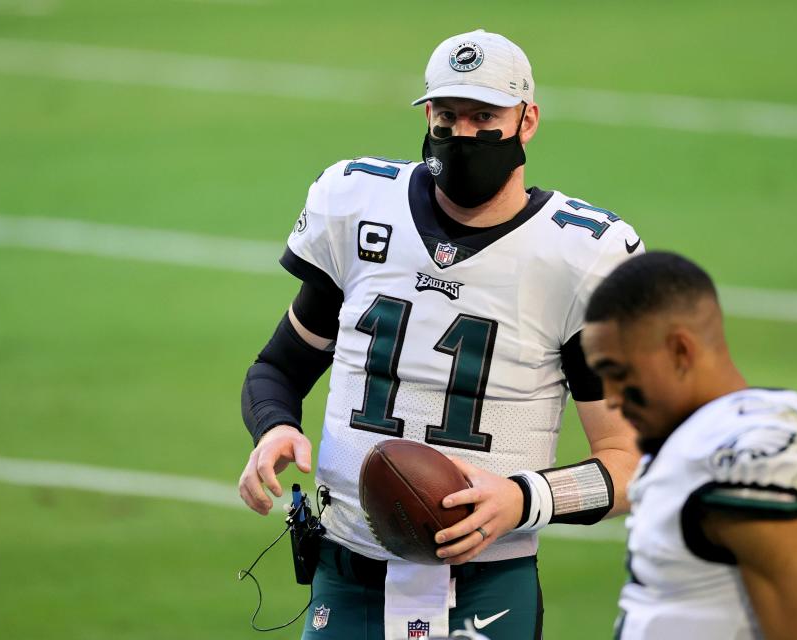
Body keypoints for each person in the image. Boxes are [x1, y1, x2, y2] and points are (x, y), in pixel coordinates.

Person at [238, 29, 644, 640]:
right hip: (346, 571)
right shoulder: (358, 205)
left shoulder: (577, 255)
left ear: (526, 120)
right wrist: (274, 426)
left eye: (485, 116)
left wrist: (521, 498)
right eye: (447, 115)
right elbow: (278, 368)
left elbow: (632, 465)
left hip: (486, 583)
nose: (462, 134)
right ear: (427, 114)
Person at [580, 251, 797, 640]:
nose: (611, 398)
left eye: (619, 373)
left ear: (680, 351)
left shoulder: (739, 460)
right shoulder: (699, 437)